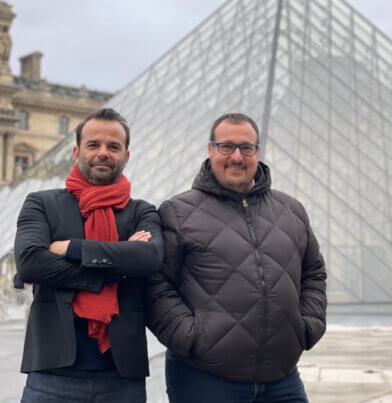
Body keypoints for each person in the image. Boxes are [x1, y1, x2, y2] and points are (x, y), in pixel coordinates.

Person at [146, 113, 327, 402]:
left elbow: (314, 272)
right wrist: (189, 337)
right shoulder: (177, 212)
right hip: (204, 377)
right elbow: (156, 283)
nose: (237, 157)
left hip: (282, 377)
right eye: (226, 147)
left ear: (258, 152)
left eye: (247, 148)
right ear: (210, 149)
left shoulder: (291, 210)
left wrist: (308, 325)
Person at [15, 108, 164, 402]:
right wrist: (118, 267)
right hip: (52, 374)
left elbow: (149, 259)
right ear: (76, 151)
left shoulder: (143, 211)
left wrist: (72, 249)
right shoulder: (41, 204)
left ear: (126, 156)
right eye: (93, 145)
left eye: (113, 146)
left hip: (122, 377)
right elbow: (30, 263)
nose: (103, 153)